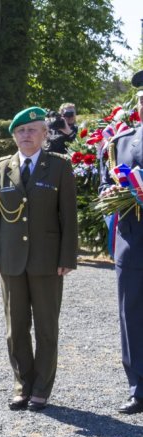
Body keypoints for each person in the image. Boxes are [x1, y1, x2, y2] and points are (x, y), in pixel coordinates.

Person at [0, 107, 78, 412]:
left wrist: (68, 257)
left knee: (47, 328)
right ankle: (22, 384)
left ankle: (41, 388)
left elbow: (69, 217)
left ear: (44, 134)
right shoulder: (0, 168)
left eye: (32, 130)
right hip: (10, 259)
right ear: (14, 135)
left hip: (48, 261)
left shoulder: (59, 167)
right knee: (16, 327)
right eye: (21, 131)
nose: (26, 135)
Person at [100, 70, 143, 415]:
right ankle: (138, 389)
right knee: (131, 315)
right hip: (131, 242)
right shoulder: (123, 142)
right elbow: (104, 188)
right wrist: (112, 192)